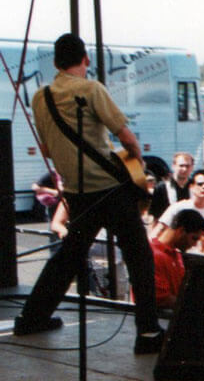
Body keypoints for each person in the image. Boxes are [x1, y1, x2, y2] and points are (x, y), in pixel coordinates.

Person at [13, 34, 165, 354]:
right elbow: (126, 138)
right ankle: (148, 333)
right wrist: (137, 165)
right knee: (139, 256)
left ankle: (31, 317)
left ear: (55, 63)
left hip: (77, 192)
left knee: (67, 257)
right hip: (109, 191)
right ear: (85, 60)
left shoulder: (41, 97)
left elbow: (46, 146)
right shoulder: (92, 89)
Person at [150, 208, 204, 312]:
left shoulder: (176, 255)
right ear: (181, 231)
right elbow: (159, 297)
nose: (194, 244)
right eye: (194, 238)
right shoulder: (152, 255)